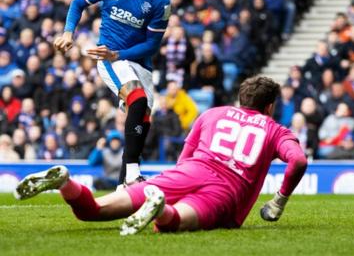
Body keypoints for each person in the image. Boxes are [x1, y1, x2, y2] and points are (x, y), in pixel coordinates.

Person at [14, 76, 307, 236]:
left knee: (91, 211)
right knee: (172, 222)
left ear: (240, 99)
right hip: (225, 192)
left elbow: (186, 155)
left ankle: (65, 182)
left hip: (188, 172)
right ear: (269, 107)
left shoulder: (213, 114)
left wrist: (177, 183)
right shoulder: (275, 130)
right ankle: (160, 208)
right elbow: (298, 161)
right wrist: (278, 201)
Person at [53, 0, 170, 187]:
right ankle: (132, 175)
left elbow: (152, 44)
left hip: (137, 62)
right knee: (136, 99)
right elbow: (77, 3)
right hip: (109, 58)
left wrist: (121, 55)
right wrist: (67, 33)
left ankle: (122, 185)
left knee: (143, 119)